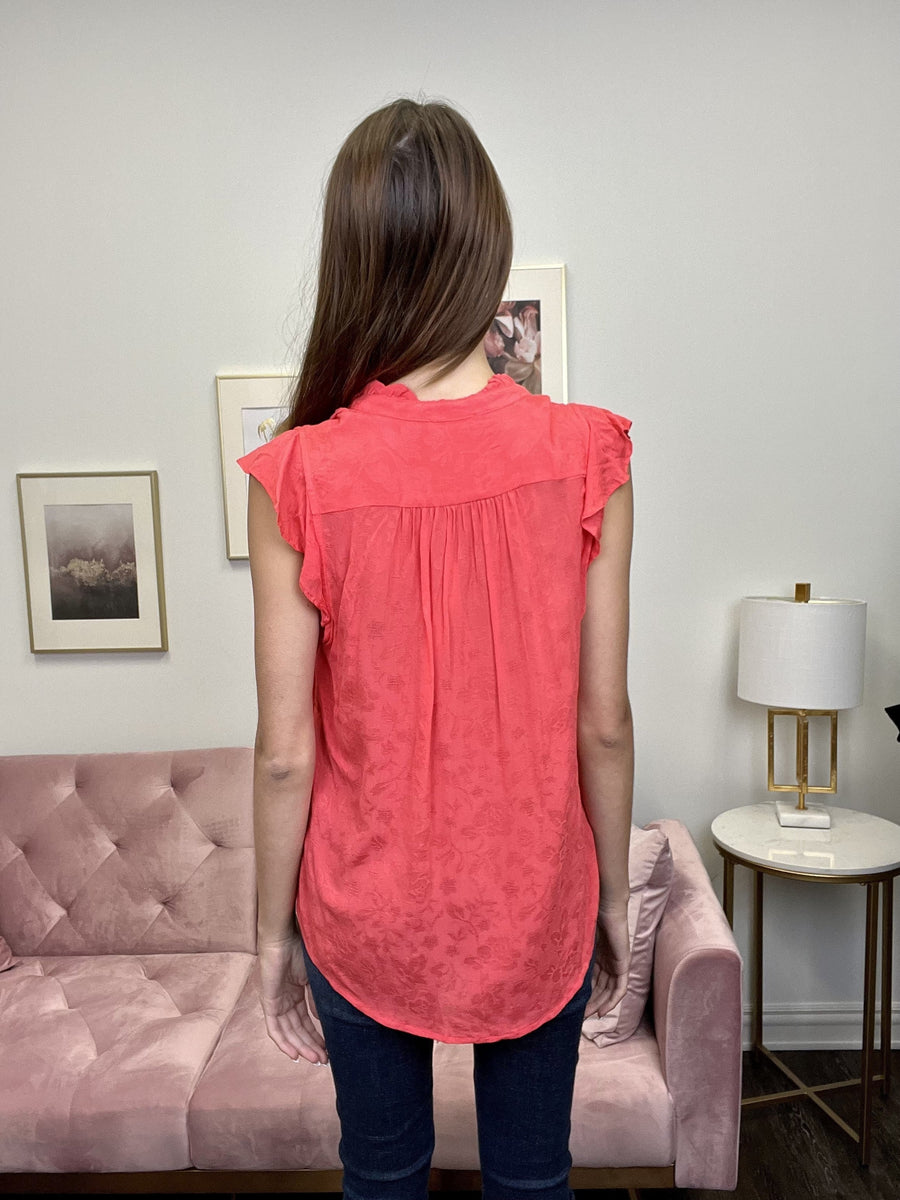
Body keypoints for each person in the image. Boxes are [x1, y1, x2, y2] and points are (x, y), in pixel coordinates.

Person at [237, 96, 634, 1200]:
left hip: (363, 911)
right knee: (533, 1183)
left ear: (352, 257)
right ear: (485, 246)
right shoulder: (586, 454)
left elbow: (284, 752)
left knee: (381, 1182)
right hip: (536, 900)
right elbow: (604, 720)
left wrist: (269, 939)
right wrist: (613, 900)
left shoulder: (299, 474)